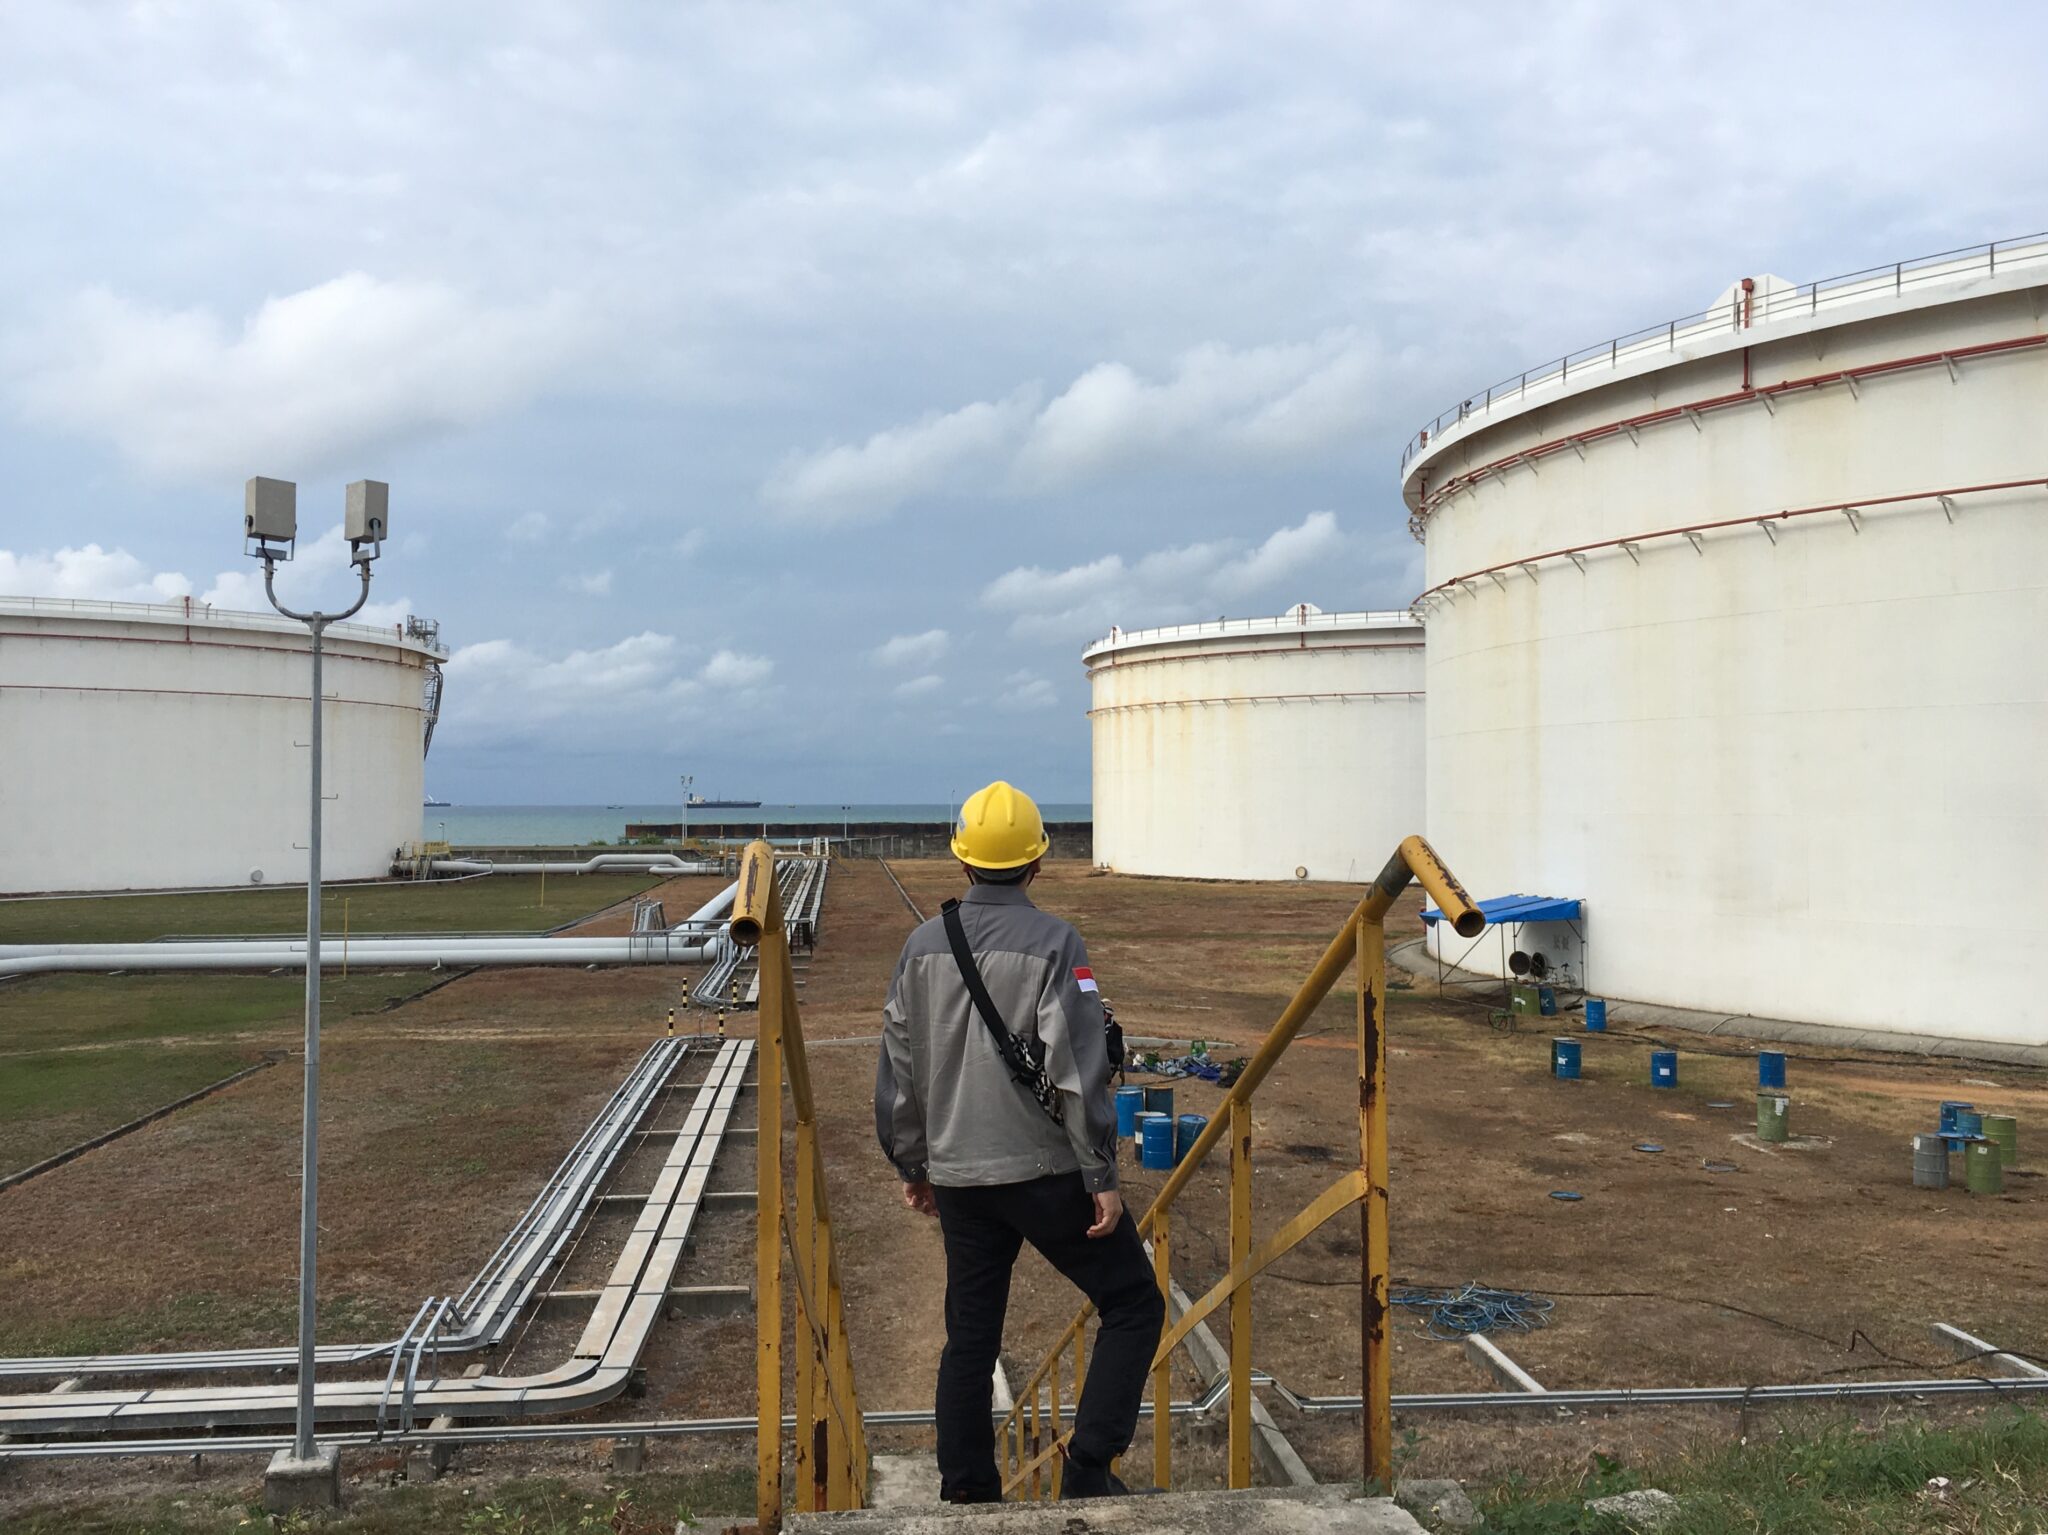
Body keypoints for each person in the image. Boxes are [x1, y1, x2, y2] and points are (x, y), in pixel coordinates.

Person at [875, 780, 1163, 1503]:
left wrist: (912, 1161)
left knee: (970, 1337)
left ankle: (968, 1493)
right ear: (1038, 864)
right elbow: (1079, 1064)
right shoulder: (1056, 942)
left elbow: (898, 1068)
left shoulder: (919, 947)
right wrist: (1101, 1173)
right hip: (1046, 1173)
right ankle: (1090, 1463)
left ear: (963, 863)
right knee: (1131, 1301)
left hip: (959, 1178)